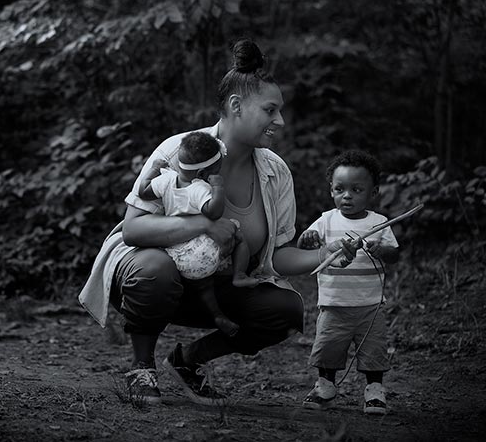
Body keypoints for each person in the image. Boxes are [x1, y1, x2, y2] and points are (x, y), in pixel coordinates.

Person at [78, 38, 359, 406]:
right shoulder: (179, 151)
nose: (280, 121)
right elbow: (133, 230)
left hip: (216, 288)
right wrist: (205, 225)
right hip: (150, 278)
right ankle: (141, 366)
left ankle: (187, 362)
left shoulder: (276, 171)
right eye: (271, 110)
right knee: (155, 269)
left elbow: (278, 256)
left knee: (285, 310)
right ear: (236, 106)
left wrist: (327, 253)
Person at [297, 150, 399, 415]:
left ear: (373, 193)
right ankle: (325, 388)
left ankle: (374, 392)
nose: (347, 195)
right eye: (339, 189)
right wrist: (307, 238)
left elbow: (394, 254)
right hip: (333, 303)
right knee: (328, 347)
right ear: (331, 190)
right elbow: (304, 244)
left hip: (370, 306)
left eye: (356, 189)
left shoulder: (379, 222)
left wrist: (381, 250)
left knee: (373, 352)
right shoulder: (326, 220)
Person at [137, 131, 258, 337]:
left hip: (178, 253)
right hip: (202, 250)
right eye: (216, 169)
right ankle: (239, 275)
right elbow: (213, 212)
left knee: (204, 287)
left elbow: (143, 192)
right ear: (202, 173)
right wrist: (218, 188)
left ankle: (217, 314)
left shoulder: (166, 181)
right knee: (238, 236)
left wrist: (153, 171)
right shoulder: (198, 188)